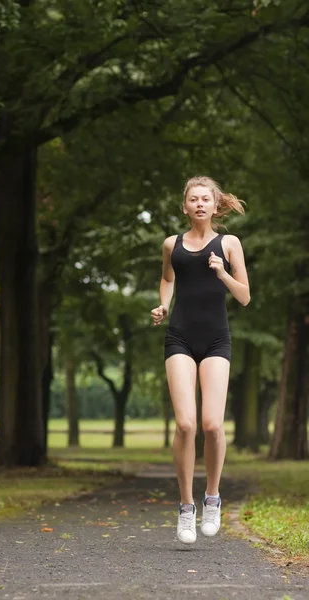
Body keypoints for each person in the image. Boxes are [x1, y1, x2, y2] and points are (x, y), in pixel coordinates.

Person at [151, 176, 250, 545]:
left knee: (211, 424)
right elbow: (167, 279)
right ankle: (186, 508)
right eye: (193, 199)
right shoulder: (171, 245)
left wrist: (222, 271)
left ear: (214, 204)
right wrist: (163, 304)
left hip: (216, 340)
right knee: (185, 424)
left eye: (206, 199)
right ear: (185, 206)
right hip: (179, 336)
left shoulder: (229, 243)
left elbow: (244, 297)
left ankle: (212, 498)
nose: (199, 204)